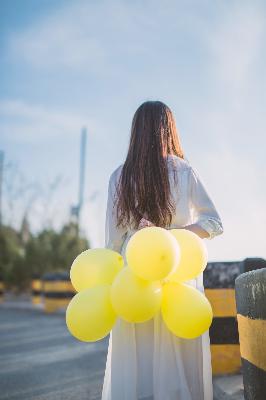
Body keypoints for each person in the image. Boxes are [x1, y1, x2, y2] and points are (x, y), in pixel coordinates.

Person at [101, 100, 224, 400]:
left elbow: (112, 245)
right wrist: (173, 236)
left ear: (136, 132)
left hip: (135, 280)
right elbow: (214, 223)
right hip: (178, 274)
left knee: (137, 361)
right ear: (168, 130)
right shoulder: (185, 172)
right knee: (179, 358)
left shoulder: (119, 177)